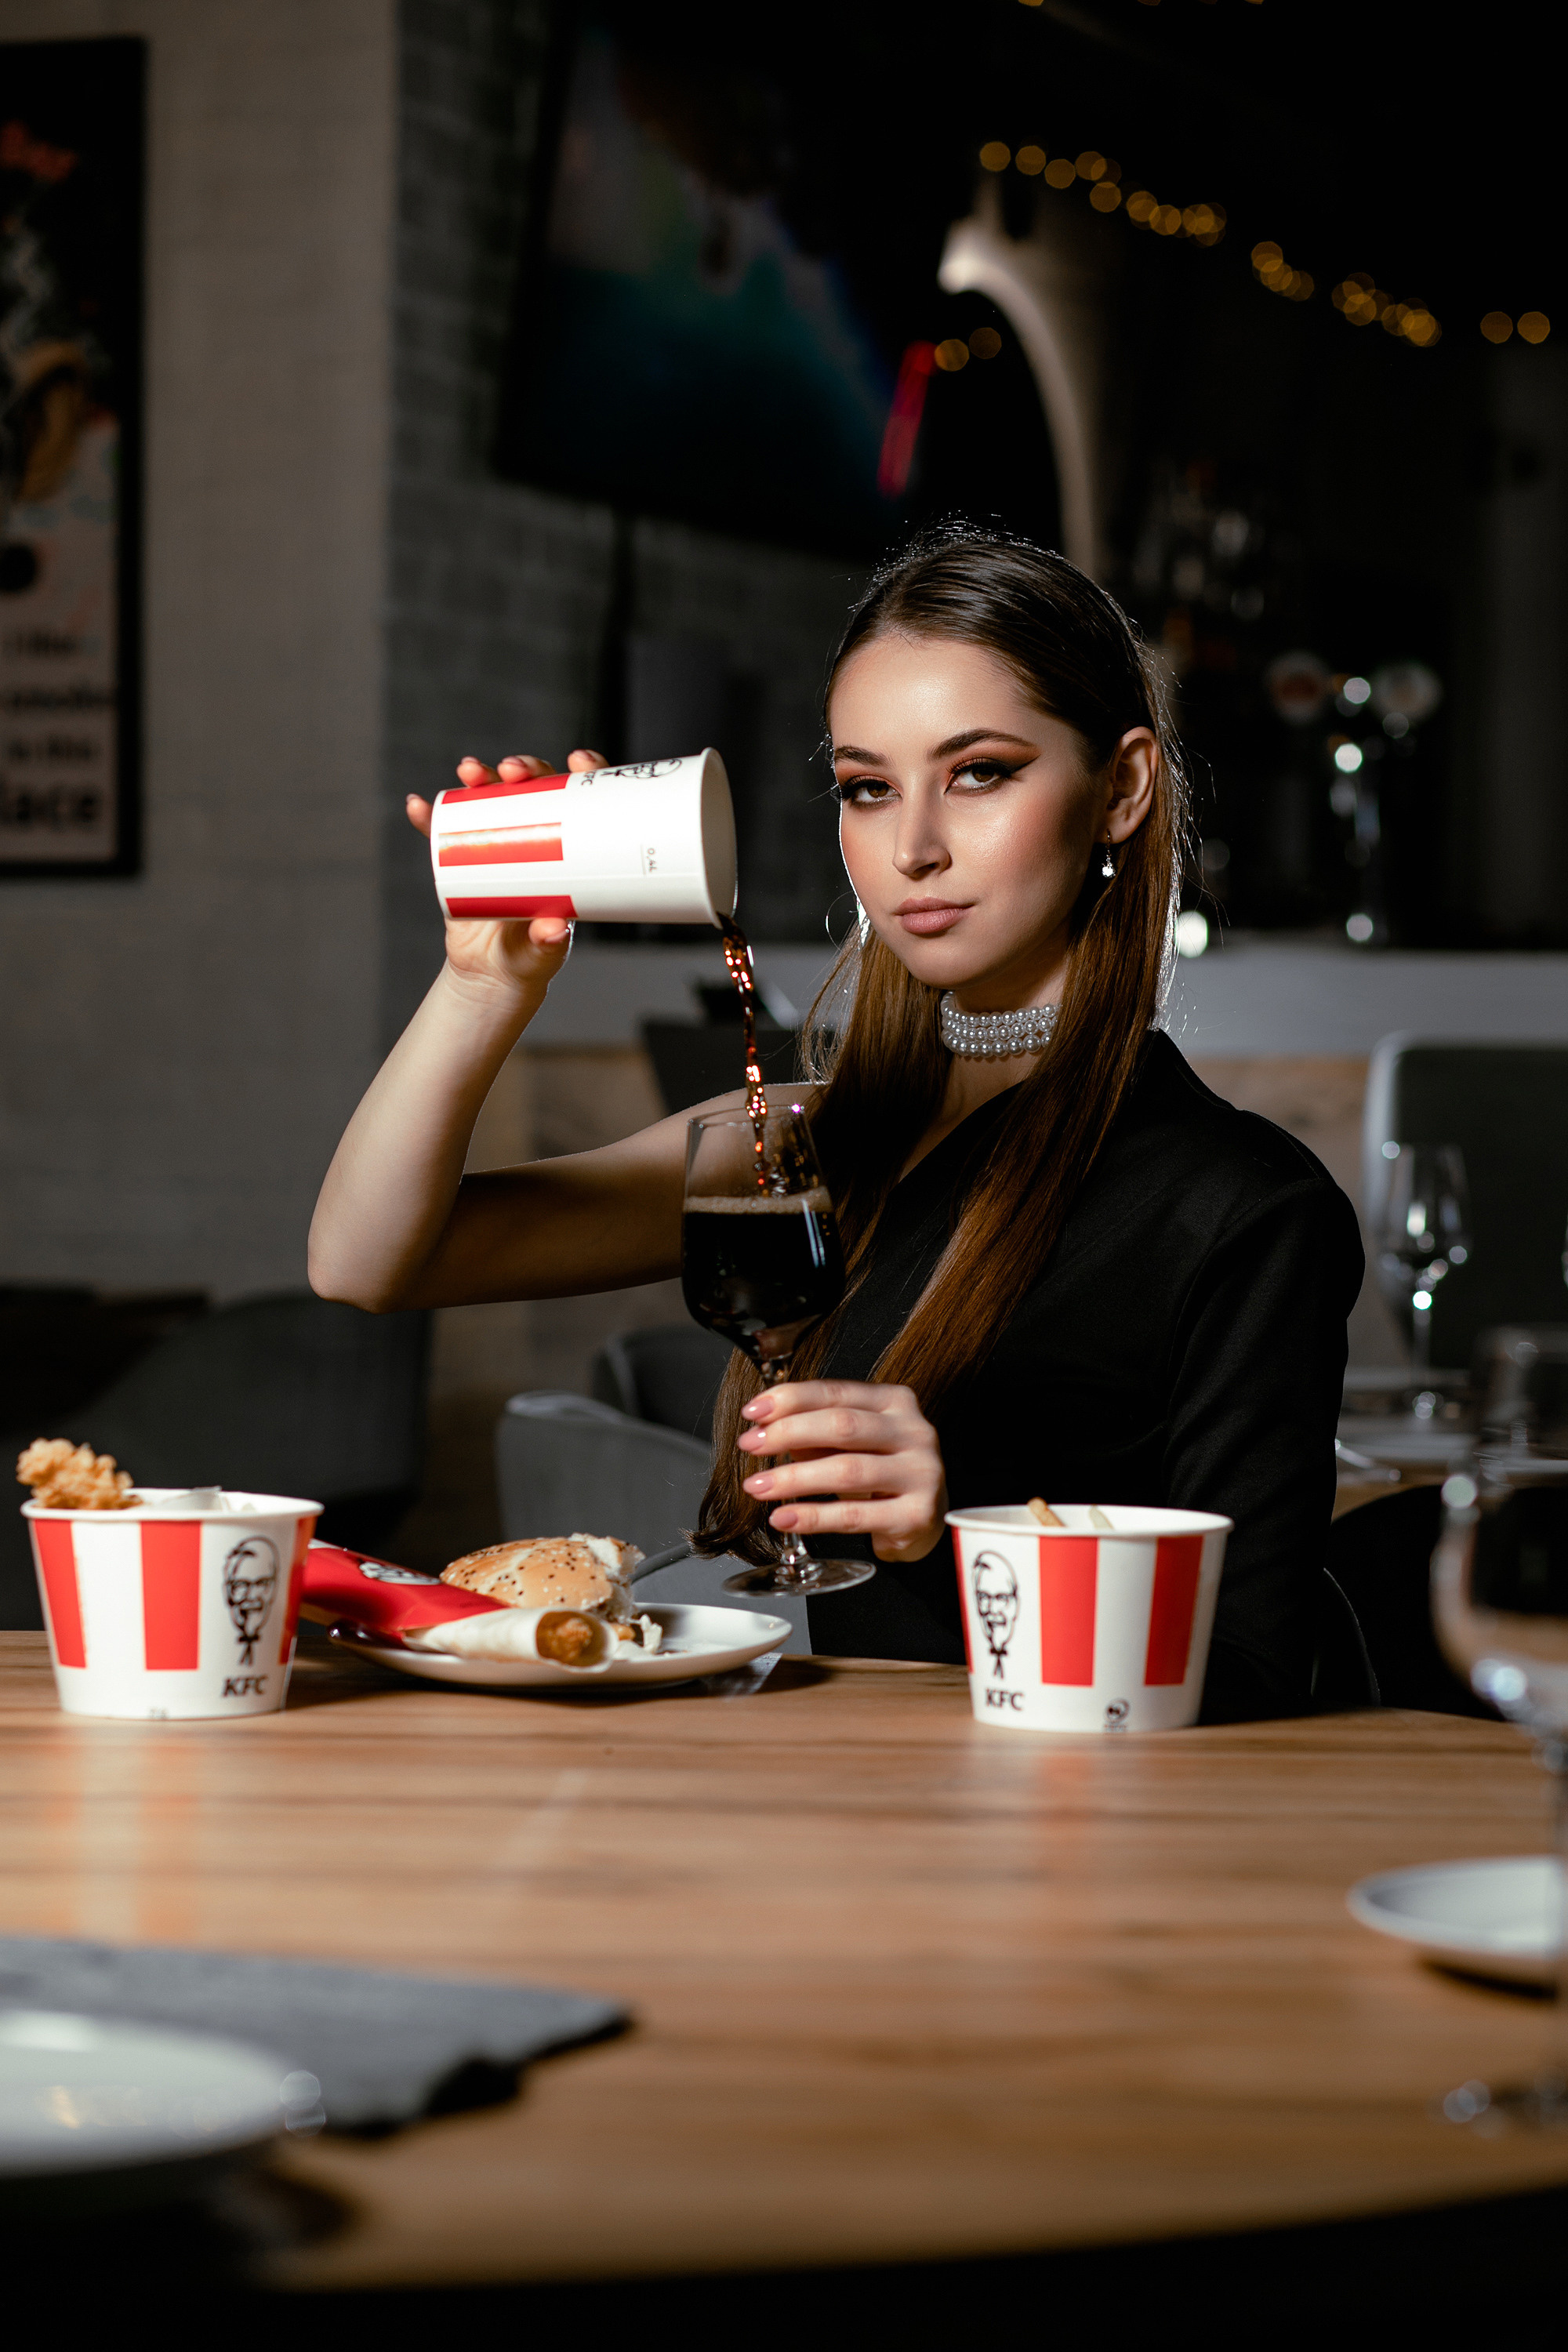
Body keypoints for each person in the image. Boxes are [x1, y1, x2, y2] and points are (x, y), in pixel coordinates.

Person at [310, 531, 1363, 1719]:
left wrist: (960, 1527)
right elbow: (368, 1261)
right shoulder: (801, 1140)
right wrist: (482, 987)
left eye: (980, 772)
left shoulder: (1247, 1209)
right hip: (834, 1814)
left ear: (1120, 789)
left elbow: (1261, 1684)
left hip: (1063, 1864)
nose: (911, 846)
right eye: (869, 787)